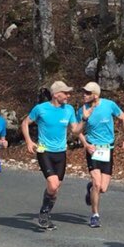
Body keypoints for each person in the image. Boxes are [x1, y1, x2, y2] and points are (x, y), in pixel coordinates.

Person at [21, 80, 82, 230]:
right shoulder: (41, 109)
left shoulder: (69, 110)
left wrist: (85, 120)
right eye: (65, 93)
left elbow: (75, 130)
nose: (68, 95)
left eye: (69, 93)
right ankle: (43, 214)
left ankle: (45, 213)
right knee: (53, 184)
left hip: (61, 153)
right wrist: (29, 141)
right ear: (56, 94)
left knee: (55, 189)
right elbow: (25, 123)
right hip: (44, 151)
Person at [76, 81, 124, 228]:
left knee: (103, 188)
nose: (84, 95)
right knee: (97, 182)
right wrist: (86, 144)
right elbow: (76, 131)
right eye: (84, 92)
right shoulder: (82, 110)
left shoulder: (109, 105)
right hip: (93, 149)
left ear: (95, 95)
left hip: (107, 150)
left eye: (88, 93)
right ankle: (95, 215)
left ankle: (90, 190)